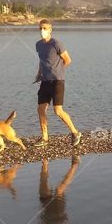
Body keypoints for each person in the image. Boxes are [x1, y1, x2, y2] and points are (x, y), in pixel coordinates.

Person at [33, 19, 82, 147]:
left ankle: (75, 132)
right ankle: (44, 138)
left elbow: (68, 60)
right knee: (41, 109)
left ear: (50, 30)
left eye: (44, 28)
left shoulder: (56, 43)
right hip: (45, 81)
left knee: (58, 111)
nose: (42, 31)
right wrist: (39, 74)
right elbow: (42, 61)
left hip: (57, 81)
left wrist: (58, 72)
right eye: (40, 28)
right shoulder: (38, 45)